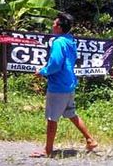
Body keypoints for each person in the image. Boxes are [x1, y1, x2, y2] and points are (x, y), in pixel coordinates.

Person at [32, 12, 98, 157]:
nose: (52, 25)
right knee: (71, 114)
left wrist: (42, 71)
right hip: (69, 83)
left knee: (51, 119)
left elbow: (55, 64)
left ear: (60, 28)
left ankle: (47, 150)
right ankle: (90, 140)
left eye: (55, 23)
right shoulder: (70, 40)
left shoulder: (58, 42)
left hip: (58, 86)